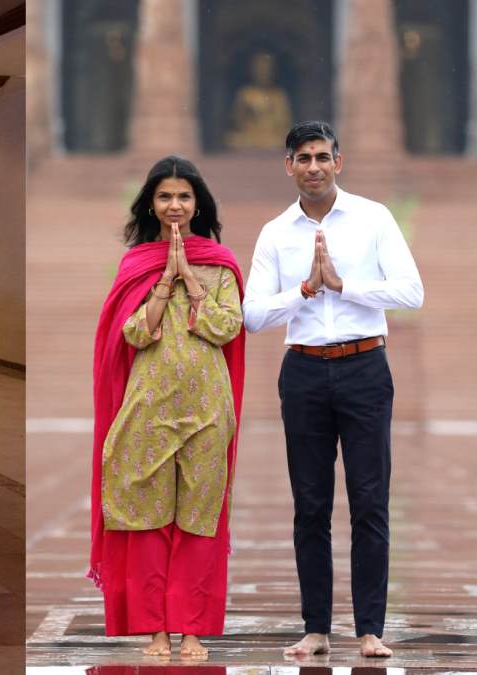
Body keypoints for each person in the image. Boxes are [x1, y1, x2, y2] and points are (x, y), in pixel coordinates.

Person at [242, 120, 423, 659]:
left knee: (370, 501)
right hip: (303, 372)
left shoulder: (373, 218)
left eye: (323, 157)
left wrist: (347, 286)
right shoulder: (276, 232)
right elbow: (252, 315)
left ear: (338, 162)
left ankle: (370, 629)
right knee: (310, 504)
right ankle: (316, 627)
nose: (314, 167)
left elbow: (411, 291)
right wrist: (304, 290)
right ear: (289, 166)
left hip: (365, 367)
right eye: (304, 158)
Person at [90, 156, 246, 658]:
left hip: (206, 406)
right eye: (164, 196)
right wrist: (163, 283)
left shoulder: (219, 262)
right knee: (148, 516)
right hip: (148, 404)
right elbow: (133, 332)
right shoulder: (135, 263)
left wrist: (191, 280)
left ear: (198, 203)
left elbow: (227, 327)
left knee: (200, 516)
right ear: (150, 204)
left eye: (183, 196)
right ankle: (156, 629)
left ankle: (192, 629)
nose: (174, 205)